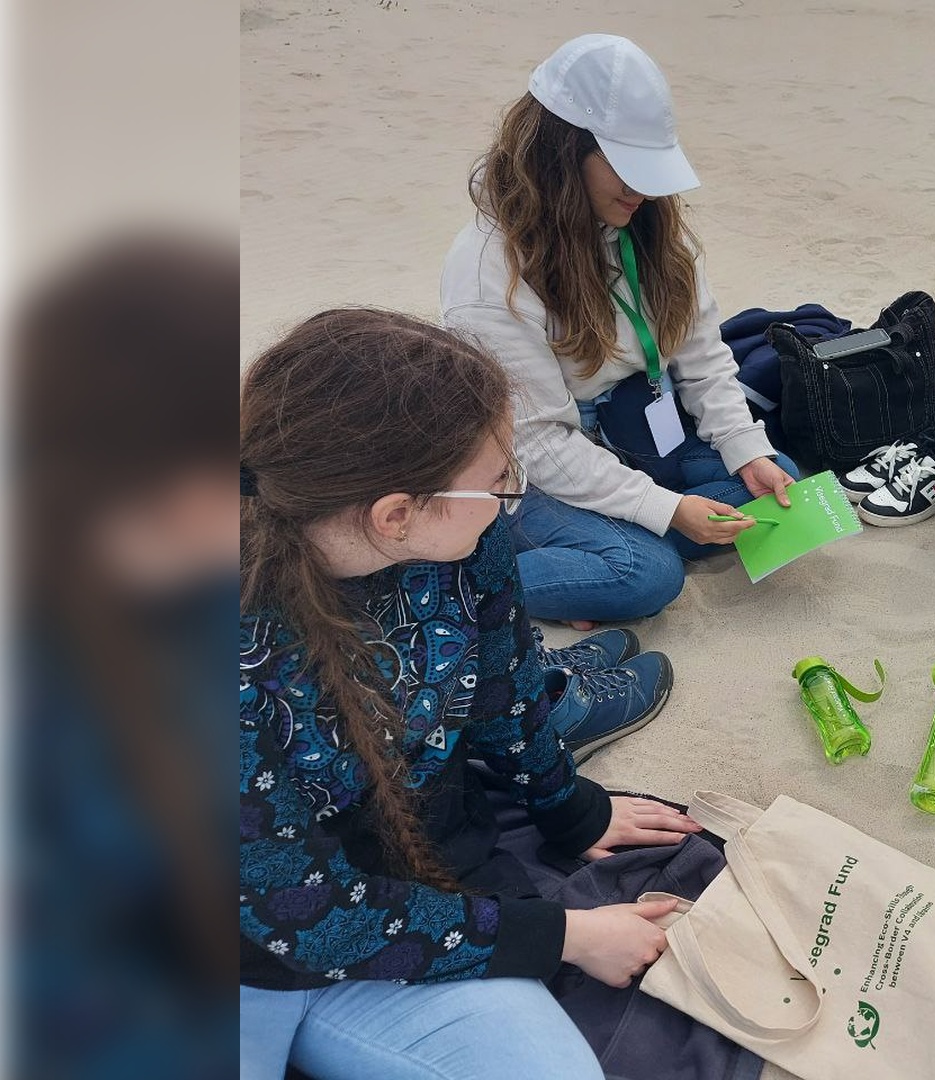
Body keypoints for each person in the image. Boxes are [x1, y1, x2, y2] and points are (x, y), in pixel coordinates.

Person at [239, 310, 703, 1079]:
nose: (510, 496)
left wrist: (570, 809)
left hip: (396, 888)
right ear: (395, 514)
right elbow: (299, 913)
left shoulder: (464, 542)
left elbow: (505, 687)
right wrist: (566, 936)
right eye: (496, 482)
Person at [442, 33, 800, 630]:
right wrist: (666, 509)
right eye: (626, 168)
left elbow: (703, 356)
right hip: (532, 470)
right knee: (646, 575)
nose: (644, 190)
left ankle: (591, 561)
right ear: (560, 154)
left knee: (777, 480)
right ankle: (459, 584)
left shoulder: (648, 221)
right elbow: (536, 443)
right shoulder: (488, 271)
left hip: (636, 429)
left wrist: (746, 448)